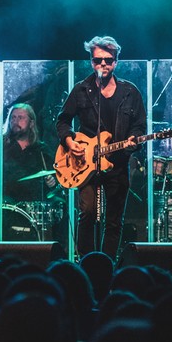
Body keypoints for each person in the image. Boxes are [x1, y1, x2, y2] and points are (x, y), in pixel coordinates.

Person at [55, 35, 145, 262]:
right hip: (84, 161)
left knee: (114, 219)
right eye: (97, 60)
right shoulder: (81, 90)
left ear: (116, 61)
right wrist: (69, 141)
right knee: (87, 213)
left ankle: (106, 265)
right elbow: (63, 120)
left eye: (108, 60)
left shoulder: (130, 92)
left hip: (118, 163)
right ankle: (86, 263)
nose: (103, 65)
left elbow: (139, 126)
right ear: (91, 61)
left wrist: (133, 140)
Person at [0, 103, 56, 202]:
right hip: (2, 206)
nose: (15, 121)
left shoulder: (41, 150)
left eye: (20, 118)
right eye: (13, 117)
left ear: (31, 123)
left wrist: (52, 182)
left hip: (32, 208)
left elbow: (54, 178)